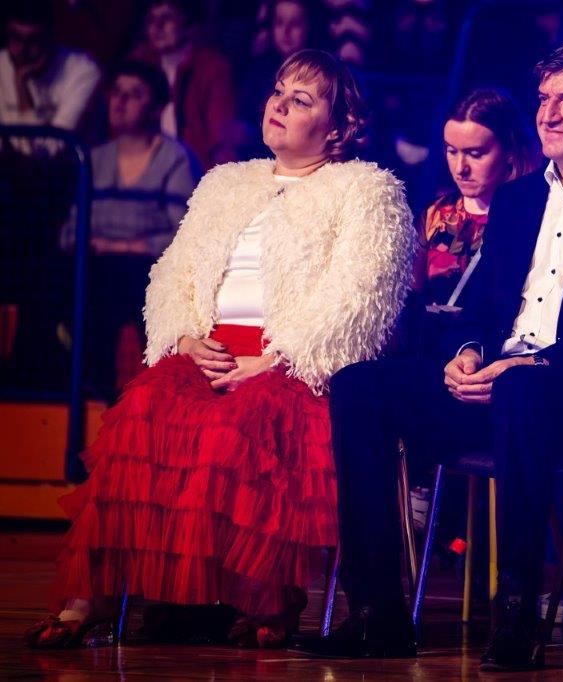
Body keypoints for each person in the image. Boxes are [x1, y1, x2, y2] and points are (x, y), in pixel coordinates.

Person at [300, 38, 563, 670]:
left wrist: (537, 365)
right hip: (507, 384)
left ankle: (518, 613)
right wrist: (467, 352)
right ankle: (375, 613)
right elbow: (487, 313)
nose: (547, 113)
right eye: (544, 99)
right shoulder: (519, 200)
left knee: (524, 389)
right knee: (361, 385)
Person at [23, 49, 416, 650]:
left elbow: (361, 298)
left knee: (245, 426)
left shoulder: (365, 190)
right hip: (210, 349)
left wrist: (279, 358)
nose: (279, 105)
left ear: (337, 129)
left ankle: (266, 598)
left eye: (301, 100)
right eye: (278, 91)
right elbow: (172, 273)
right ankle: (91, 599)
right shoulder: (225, 182)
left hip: (294, 361)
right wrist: (183, 337)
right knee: (143, 412)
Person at [59, 60, 199, 399]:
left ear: (156, 107)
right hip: (97, 268)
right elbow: (69, 232)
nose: (120, 102)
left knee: (128, 278)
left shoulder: (174, 159)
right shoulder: (93, 159)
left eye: (134, 94)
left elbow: (184, 233)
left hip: (148, 270)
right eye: (116, 92)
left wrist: (123, 247)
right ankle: (82, 387)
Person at [411, 88, 533, 357]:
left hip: (491, 357)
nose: (460, 168)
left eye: (475, 154)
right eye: (451, 151)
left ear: (510, 151)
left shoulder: (530, 217)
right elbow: (409, 298)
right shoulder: (435, 214)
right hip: (428, 352)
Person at [134, 0, 237, 169]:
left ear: (188, 22)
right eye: (151, 19)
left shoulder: (211, 68)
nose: (157, 26)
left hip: (195, 173)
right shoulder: (141, 66)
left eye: (166, 18)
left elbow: (221, 144)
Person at [239, 0, 328, 159]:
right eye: (279, 22)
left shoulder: (325, 75)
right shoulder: (258, 72)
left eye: (295, 24)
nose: (286, 31)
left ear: (310, 27)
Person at [0, 1, 101, 135]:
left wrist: (22, 88)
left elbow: (52, 145)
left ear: (50, 37)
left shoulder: (82, 71)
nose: (22, 49)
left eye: (32, 40)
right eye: (16, 37)